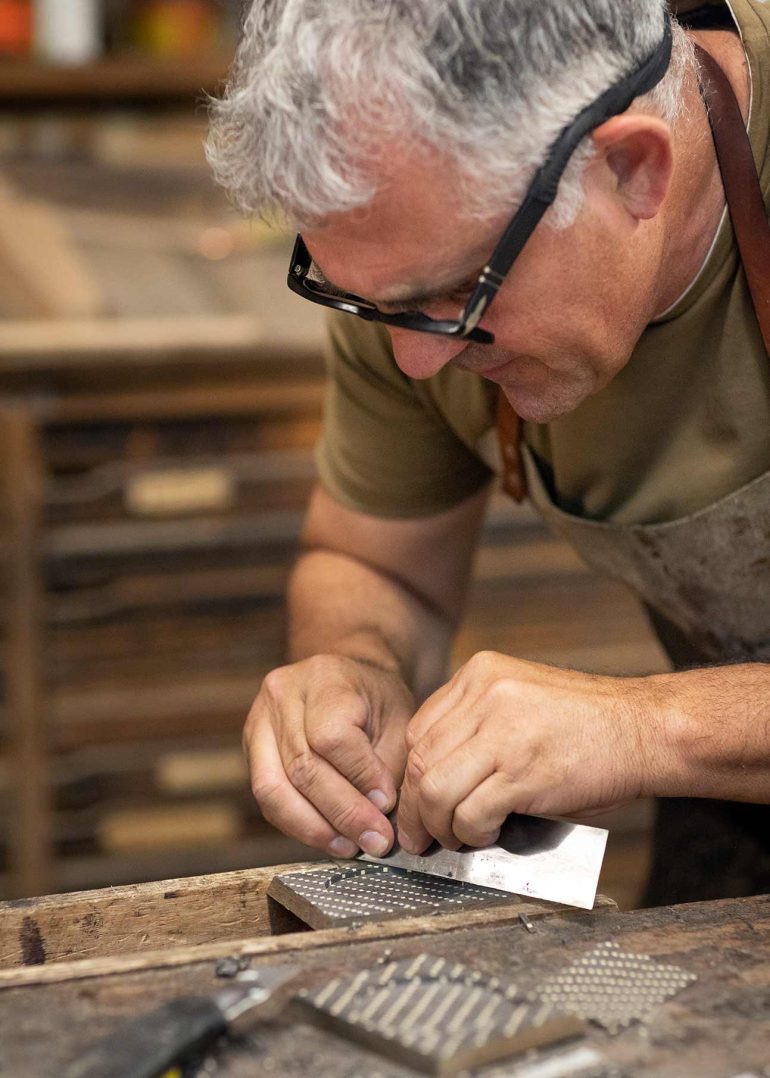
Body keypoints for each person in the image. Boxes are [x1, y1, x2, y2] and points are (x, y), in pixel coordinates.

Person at [207, 0, 770, 905]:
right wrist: (354, 664)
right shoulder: (406, 267)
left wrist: (645, 727)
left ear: (632, 167)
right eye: (375, 305)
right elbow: (374, 562)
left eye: (457, 297)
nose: (419, 359)